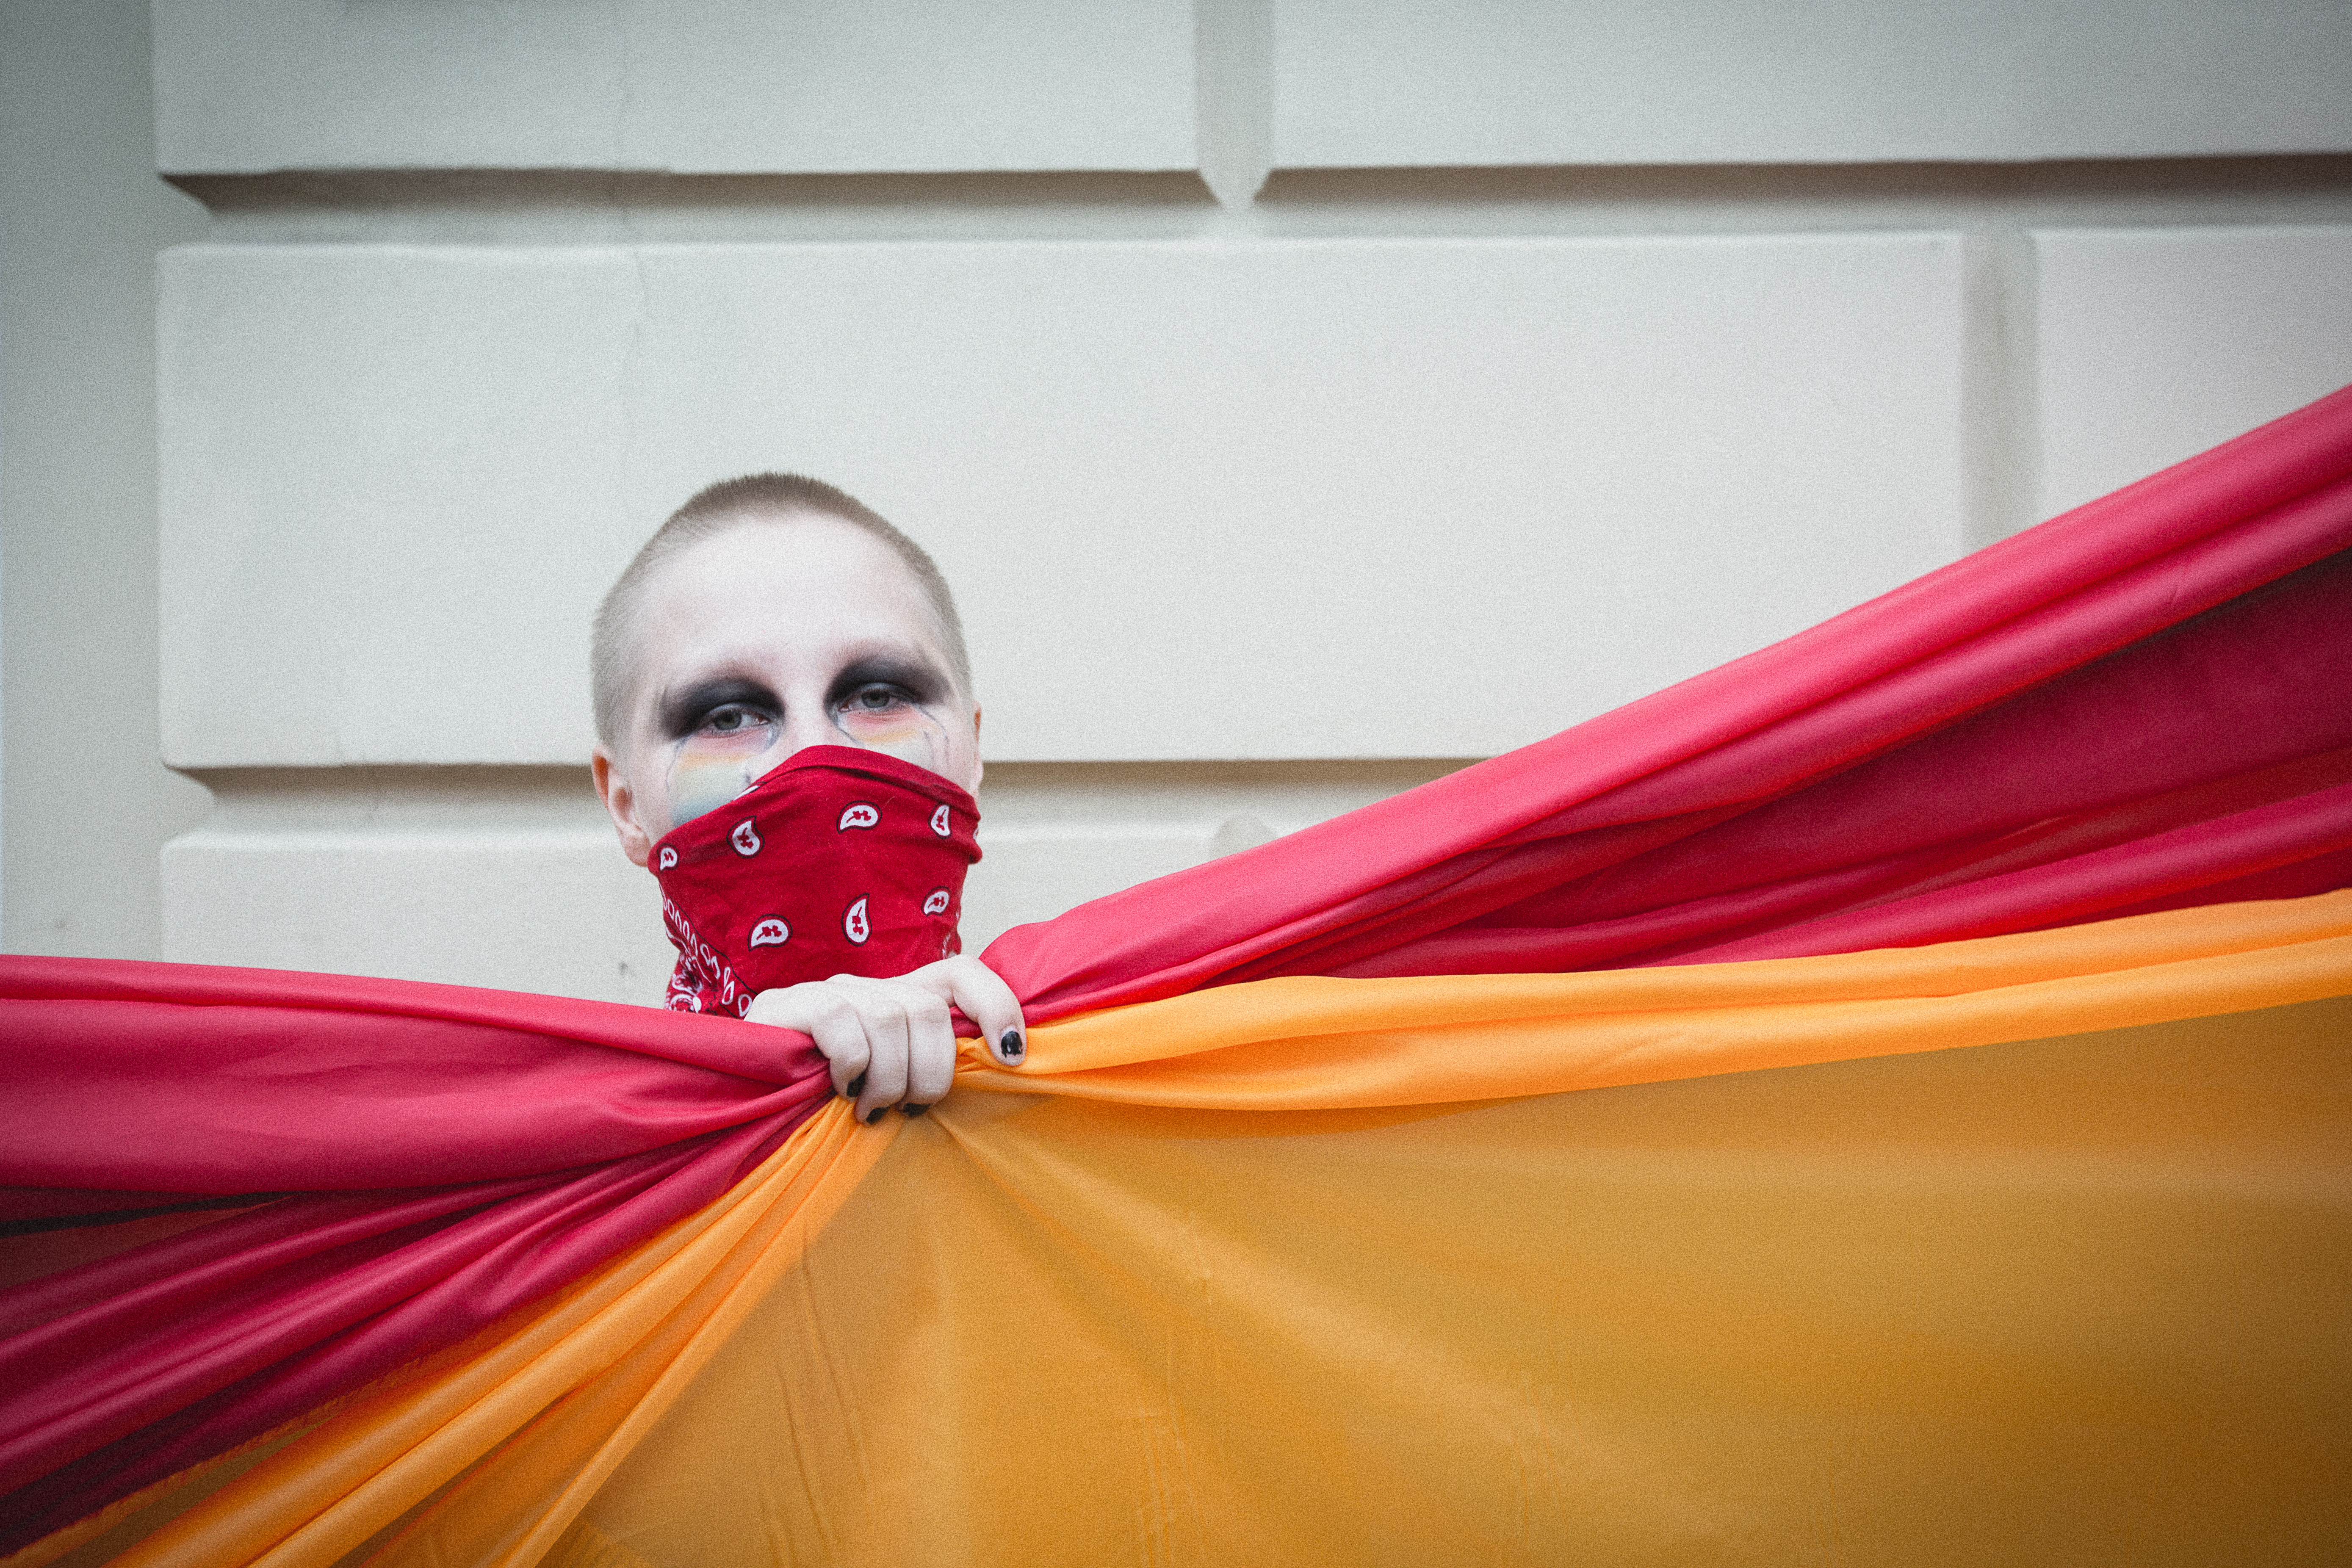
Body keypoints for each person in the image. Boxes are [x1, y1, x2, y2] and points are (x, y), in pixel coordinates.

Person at [590, 473, 1027, 1123]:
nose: (811, 757)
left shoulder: (1133, 1095)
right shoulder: (565, 1182)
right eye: (728, 716)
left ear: (975, 753)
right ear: (626, 807)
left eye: (877, 696)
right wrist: (730, 1095)